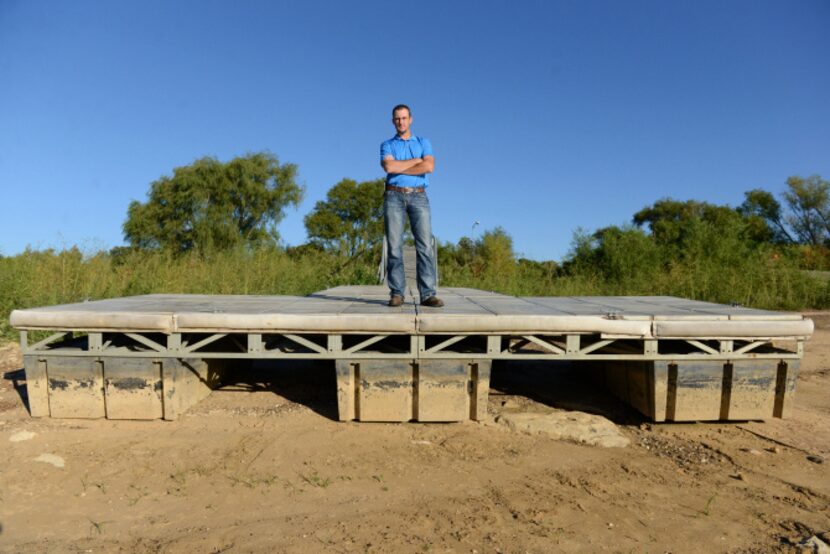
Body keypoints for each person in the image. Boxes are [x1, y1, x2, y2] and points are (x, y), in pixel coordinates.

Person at [380, 104, 443, 308]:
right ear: (393, 121)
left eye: (404, 118)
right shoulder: (387, 145)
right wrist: (416, 162)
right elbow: (389, 166)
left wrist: (403, 165)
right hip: (393, 196)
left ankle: (427, 294)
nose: (401, 122)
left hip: (419, 196)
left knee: (424, 245)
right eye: (397, 119)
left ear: (411, 119)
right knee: (394, 245)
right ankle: (397, 293)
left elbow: (429, 166)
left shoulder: (424, 142)